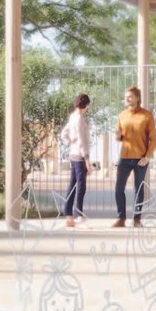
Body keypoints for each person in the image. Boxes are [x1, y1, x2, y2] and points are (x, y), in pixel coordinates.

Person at [111, 85, 156, 228]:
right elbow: (120, 137)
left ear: (137, 98)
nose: (127, 99)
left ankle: (137, 220)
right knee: (119, 189)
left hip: (140, 159)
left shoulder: (147, 115)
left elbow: (153, 139)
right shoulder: (122, 115)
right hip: (124, 157)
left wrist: (147, 157)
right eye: (125, 97)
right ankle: (121, 219)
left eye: (130, 96)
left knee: (138, 189)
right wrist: (117, 136)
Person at [58, 92, 92, 227]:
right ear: (87, 105)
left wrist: (70, 142)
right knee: (81, 186)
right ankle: (78, 214)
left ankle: (69, 217)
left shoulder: (73, 117)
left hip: (73, 155)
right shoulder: (79, 119)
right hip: (79, 157)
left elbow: (63, 134)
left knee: (72, 186)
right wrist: (87, 160)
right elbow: (82, 141)